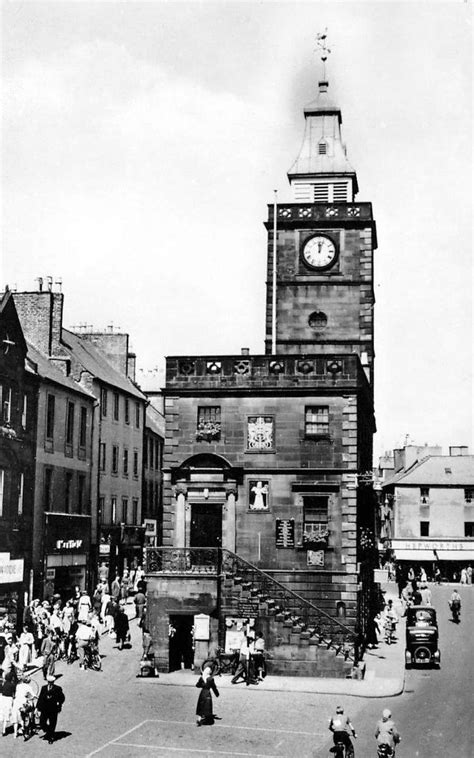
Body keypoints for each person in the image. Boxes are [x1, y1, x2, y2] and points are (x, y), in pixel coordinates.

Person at [36, 674, 65, 745]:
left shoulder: (58, 688)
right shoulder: (44, 688)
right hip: (44, 708)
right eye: (49, 682)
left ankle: (51, 737)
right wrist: (37, 708)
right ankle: (49, 731)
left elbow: (62, 698)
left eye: (51, 682)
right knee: (42, 723)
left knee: (52, 723)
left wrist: (59, 704)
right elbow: (40, 698)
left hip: (53, 709)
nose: (50, 683)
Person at [11, 674, 35, 739]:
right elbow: (33, 695)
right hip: (23, 702)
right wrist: (35, 696)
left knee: (16, 717)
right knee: (26, 715)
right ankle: (25, 729)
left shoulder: (18, 686)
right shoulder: (28, 687)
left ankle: (15, 733)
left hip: (16, 702)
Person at [1, 665, 17, 736]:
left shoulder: (3, 684)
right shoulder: (12, 685)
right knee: (9, 714)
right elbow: (14, 694)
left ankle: (4, 729)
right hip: (9, 699)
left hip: (2, 699)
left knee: (3, 713)